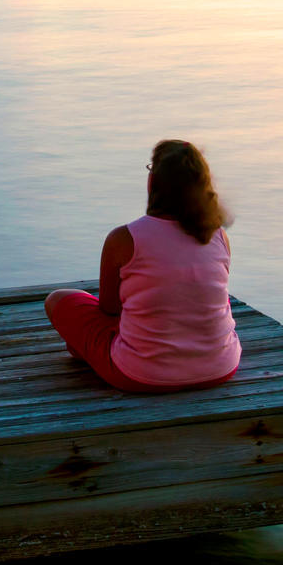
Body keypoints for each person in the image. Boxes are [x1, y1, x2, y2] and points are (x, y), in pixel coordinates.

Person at [45, 139, 241, 393]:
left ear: (154, 181)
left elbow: (110, 309)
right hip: (220, 367)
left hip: (141, 374)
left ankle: (89, 351)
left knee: (59, 300)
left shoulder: (125, 238)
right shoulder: (218, 236)